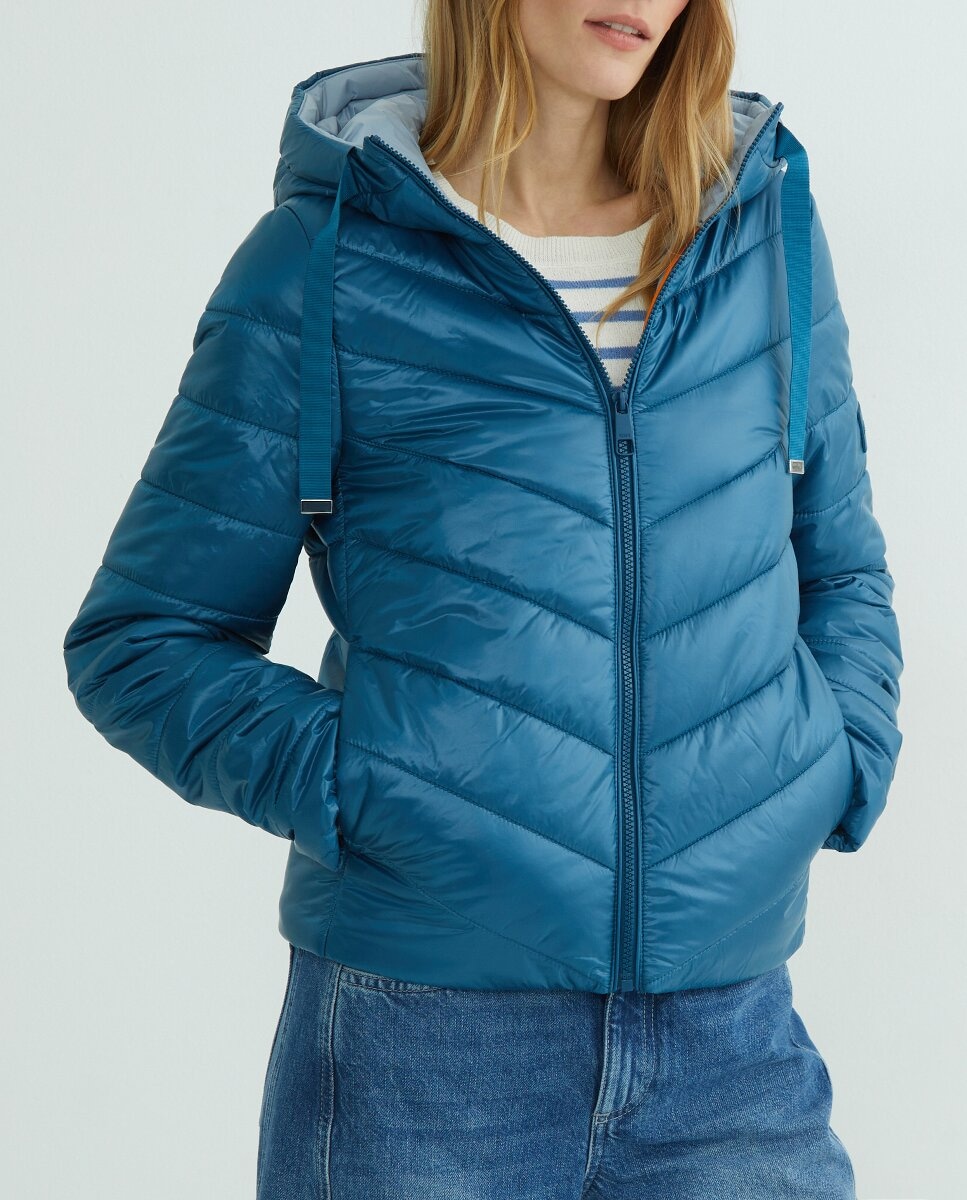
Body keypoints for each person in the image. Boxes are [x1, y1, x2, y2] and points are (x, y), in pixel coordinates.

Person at [63, 1, 904, 1196]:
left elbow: (841, 567)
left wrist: (834, 756)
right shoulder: (327, 260)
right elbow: (144, 637)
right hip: (421, 1043)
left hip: (730, 1036)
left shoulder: (760, 236)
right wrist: (371, 783)